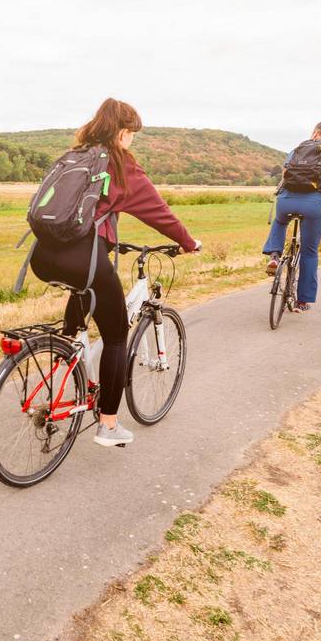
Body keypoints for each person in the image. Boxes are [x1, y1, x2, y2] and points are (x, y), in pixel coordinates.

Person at [30, 98, 199, 448]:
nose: (132, 139)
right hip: (84, 259)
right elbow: (159, 212)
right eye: (132, 133)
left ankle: (68, 356)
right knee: (118, 334)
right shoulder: (121, 166)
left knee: (84, 300)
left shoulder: (75, 156)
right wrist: (188, 242)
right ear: (122, 132)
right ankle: (108, 424)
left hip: (43, 256)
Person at [262, 120, 321, 312]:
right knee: (309, 252)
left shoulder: (298, 149)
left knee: (280, 221)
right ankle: (302, 301)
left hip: (286, 200)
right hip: (314, 205)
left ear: (316, 132)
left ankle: (275, 256)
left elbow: (285, 174)